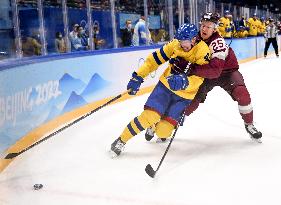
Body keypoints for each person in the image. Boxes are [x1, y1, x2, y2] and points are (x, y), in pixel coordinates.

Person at [146, 12, 263, 144]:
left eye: (208, 26)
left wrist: (192, 69)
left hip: (226, 72)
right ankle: (162, 126)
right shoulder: (193, 37)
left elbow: (215, 71)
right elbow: (179, 48)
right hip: (203, 74)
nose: (204, 29)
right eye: (203, 25)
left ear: (215, 28)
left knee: (242, 94)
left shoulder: (217, 43)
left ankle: (249, 124)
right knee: (189, 104)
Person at [110, 23, 211, 157]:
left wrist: (185, 82)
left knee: (163, 132)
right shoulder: (175, 44)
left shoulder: (203, 51)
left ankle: (154, 126)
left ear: (193, 39)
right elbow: (153, 60)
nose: (181, 45)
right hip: (165, 88)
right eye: (180, 41)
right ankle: (121, 140)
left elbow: (200, 78)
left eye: (185, 42)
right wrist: (138, 76)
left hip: (184, 97)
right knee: (149, 116)